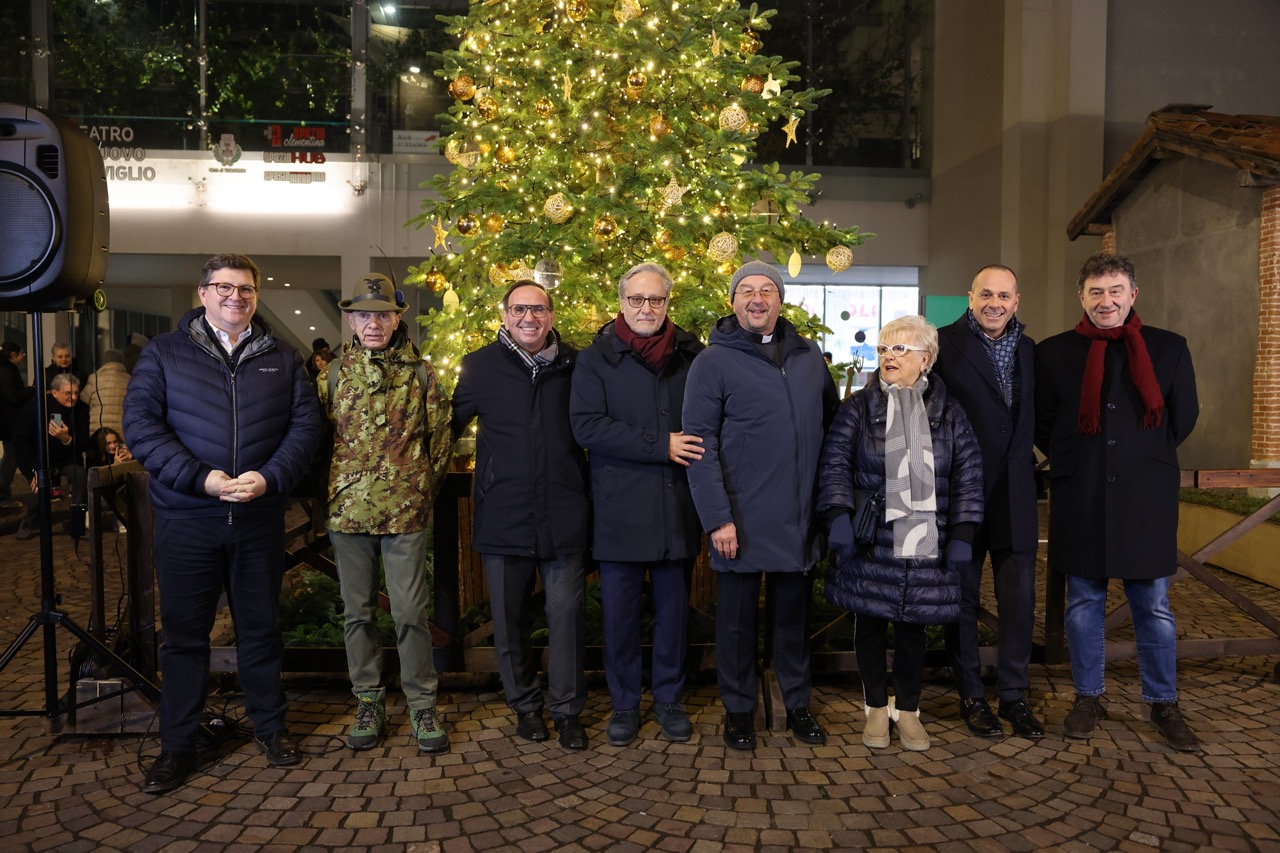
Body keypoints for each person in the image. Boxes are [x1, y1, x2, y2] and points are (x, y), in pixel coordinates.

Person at [123, 253, 323, 794]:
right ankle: (177, 746)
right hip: (189, 517)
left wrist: (270, 477)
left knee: (261, 631)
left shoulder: (283, 358)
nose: (237, 296)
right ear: (203, 292)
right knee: (186, 638)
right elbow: (140, 425)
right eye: (225, 287)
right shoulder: (165, 353)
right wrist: (201, 478)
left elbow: (306, 429)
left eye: (247, 289)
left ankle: (271, 727)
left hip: (257, 517)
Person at [1034, 253, 1200, 752]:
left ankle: (1163, 702)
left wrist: (1141, 456)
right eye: (1095, 292)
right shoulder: (1055, 352)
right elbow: (1044, 420)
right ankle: (1089, 696)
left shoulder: (1169, 348)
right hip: (1081, 491)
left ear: (1133, 294)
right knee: (1083, 601)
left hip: (1145, 495)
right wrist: (1076, 456)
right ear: (1081, 297)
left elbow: (1183, 415)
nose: (1106, 301)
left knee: (1153, 604)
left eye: (1115, 290)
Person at [683, 259, 838, 750]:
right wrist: (717, 519)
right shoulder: (712, 361)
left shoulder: (810, 356)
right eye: (746, 290)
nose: (756, 298)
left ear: (779, 300)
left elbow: (832, 431)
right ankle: (739, 710)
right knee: (734, 626)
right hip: (741, 520)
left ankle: (796, 705)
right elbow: (698, 445)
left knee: (793, 624)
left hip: (798, 517)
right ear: (732, 301)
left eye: (766, 289)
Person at [817, 315, 983, 751]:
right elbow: (834, 464)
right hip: (873, 538)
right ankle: (874, 706)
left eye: (901, 349)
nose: (889, 356)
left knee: (915, 627)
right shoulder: (858, 407)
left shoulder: (949, 412)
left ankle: (907, 709)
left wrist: (964, 533)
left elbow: (969, 474)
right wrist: (837, 517)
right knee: (869, 621)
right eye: (885, 349)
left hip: (929, 537)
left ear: (925, 359)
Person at [451, 279, 591, 751]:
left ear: (551, 315)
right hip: (504, 512)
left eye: (537, 309)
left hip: (565, 510)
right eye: (518, 309)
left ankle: (568, 711)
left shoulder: (577, 365)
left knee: (567, 618)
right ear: (505, 315)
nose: (528, 318)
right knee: (509, 621)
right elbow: (442, 429)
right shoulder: (479, 367)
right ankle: (526, 706)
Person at [570, 262, 705, 747]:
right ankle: (625, 704)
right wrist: (659, 444)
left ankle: (668, 699)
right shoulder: (595, 359)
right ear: (621, 302)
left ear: (669, 302)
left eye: (656, 300)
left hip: (676, 508)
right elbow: (586, 426)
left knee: (673, 616)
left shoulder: (692, 355)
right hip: (620, 509)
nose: (646, 308)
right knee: (620, 618)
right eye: (636, 300)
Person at [317, 273, 453, 753]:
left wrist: (416, 489)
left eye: (382, 314)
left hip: (405, 511)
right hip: (348, 512)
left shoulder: (421, 375)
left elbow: (440, 443)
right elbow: (319, 441)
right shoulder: (331, 375)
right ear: (351, 320)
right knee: (357, 613)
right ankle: (368, 699)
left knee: (412, 613)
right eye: (363, 314)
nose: (373, 323)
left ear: (397, 319)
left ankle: (422, 704)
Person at [935, 265, 1045, 740]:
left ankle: (1015, 695)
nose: (994, 303)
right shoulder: (941, 344)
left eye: (1003, 295)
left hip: (1015, 493)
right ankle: (970, 695)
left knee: (1019, 600)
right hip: (960, 492)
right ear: (970, 296)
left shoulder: (1028, 349)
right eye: (986, 294)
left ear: (1017, 300)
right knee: (958, 598)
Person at [12, 373, 91, 541]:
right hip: (36, 458)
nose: (74, 397)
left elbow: (84, 441)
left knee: (80, 475)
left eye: (76, 392)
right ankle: (28, 522)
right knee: (41, 483)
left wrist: (67, 439)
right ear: (54, 393)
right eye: (68, 393)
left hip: (65, 458)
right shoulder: (36, 407)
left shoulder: (81, 409)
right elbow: (20, 441)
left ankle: (77, 524)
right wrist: (34, 469)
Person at [0, 341, 33, 504]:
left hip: (8, 421)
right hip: (8, 422)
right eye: (21, 354)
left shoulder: (5, 369)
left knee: (12, 456)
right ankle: (2, 494)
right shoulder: (6, 370)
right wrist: (30, 390)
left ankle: (4, 493)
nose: (22, 357)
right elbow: (13, 396)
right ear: (13, 355)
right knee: (11, 457)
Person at [81, 349, 130, 436]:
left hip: (99, 430)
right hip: (122, 429)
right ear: (122, 361)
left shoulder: (94, 378)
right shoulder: (129, 380)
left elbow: (83, 401)